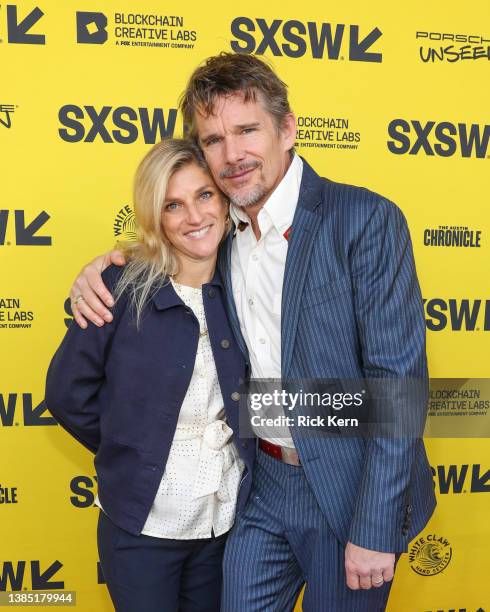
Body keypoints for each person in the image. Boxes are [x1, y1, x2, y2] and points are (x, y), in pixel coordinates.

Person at [67, 53, 437, 611]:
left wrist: (376, 527)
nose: (232, 154)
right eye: (213, 139)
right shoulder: (220, 239)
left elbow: (397, 387)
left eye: (247, 130)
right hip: (259, 486)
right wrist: (100, 271)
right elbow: (163, 257)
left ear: (287, 129)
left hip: (349, 489)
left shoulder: (362, 219)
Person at [45, 138, 255, 612]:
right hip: (140, 527)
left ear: (224, 197)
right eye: (172, 205)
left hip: (222, 523)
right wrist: (132, 444)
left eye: (204, 195)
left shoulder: (246, 282)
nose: (195, 216)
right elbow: (65, 393)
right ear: (154, 217)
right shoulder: (118, 287)